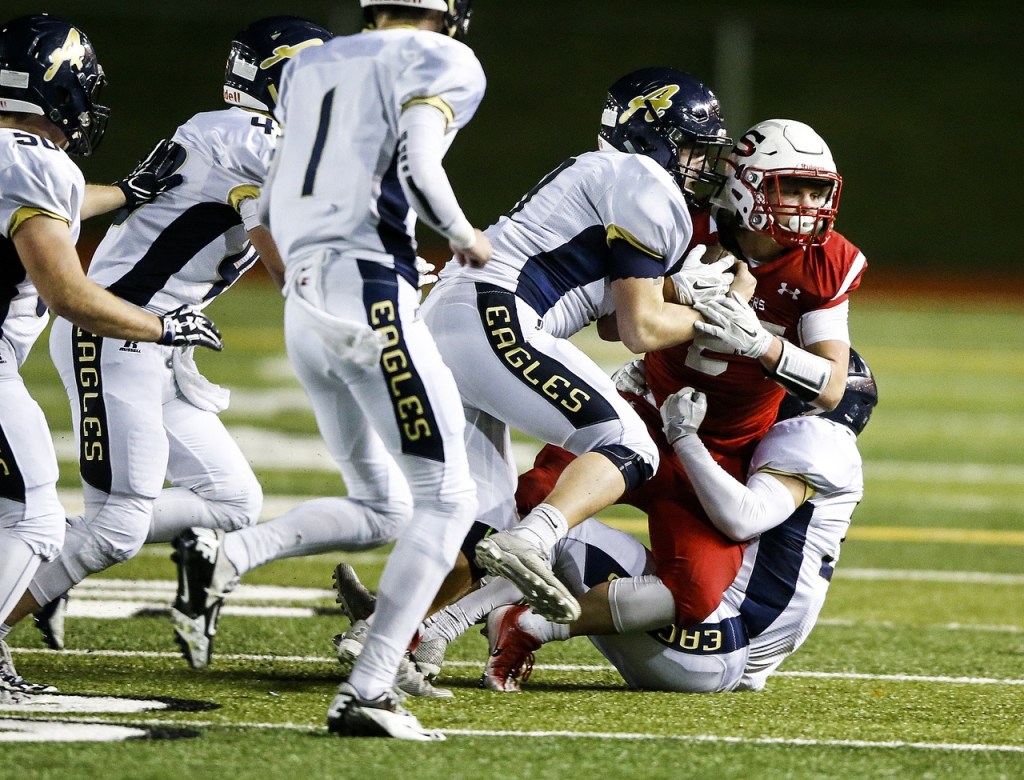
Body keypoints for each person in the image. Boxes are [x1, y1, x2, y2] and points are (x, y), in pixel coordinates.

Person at [1, 16, 332, 663]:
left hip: (157, 343)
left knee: (233, 499)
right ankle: (34, 577)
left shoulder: (231, 132)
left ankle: (53, 554)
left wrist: (124, 192)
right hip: (122, 332)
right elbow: (290, 264)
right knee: (107, 523)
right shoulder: (249, 138)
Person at [509, 117, 868, 639]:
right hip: (646, 415)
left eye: (816, 191)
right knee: (532, 497)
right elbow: (615, 324)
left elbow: (833, 386)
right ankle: (422, 615)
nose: (807, 205)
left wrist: (759, 343)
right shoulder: (685, 225)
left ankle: (525, 626)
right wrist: (678, 292)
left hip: (723, 449)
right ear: (746, 184)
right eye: (792, 187)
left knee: (695, 592)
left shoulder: (826, 261)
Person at [250, 0, 490, 741]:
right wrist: (460, 233)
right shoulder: (442, 59)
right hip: (375, 294)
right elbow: (420, 162)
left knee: (407, 494)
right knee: (448, 499)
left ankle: (367, 679)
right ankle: (370, 687)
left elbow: (271, 193)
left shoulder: (312, 60)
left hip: (304, 299)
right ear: (446, 14)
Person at [422, 66, 733, 625]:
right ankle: (537, 538)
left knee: (478, 521)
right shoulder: (644, 179)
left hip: (455, 317)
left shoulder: (611, 175)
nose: (699, 164)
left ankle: (390, 638)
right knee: (628, 444)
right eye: (689, 146)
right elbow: (643, 330)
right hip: (495, 312)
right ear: (648, 134)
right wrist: (716, 321)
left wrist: (677, 292)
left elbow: (614, 324)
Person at [427, 351, 877, 693]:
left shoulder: (819, 437)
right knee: (554, 524)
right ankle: (433, 623)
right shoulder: (795, 440)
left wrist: (683, 436)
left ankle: (521, 625)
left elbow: (743, 518)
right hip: (718, 643)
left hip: (719, 643)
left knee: (557, 532)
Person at [0, 13, 221, 701]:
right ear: (60, 87)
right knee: (35, 519)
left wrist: (126, 193)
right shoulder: (31, 163)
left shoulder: (20, 161)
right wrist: (162, 324)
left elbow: (45, 210)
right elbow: (66, 292)